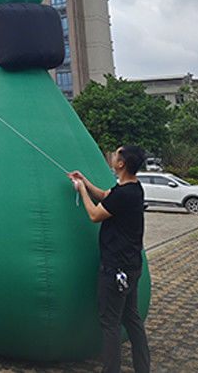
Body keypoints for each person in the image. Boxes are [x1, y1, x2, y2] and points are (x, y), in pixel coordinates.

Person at [68, 145, 151, 373]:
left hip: (116, 269)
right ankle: (143, 368)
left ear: (121, 163)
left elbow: (95, 215)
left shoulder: (125, 194)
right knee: (132, 318)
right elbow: (106, 197)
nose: (113, 157)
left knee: (110, 323)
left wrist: (80, 190)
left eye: (116, 154)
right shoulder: (133, 188)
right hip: (132, 266)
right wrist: (85, 181)